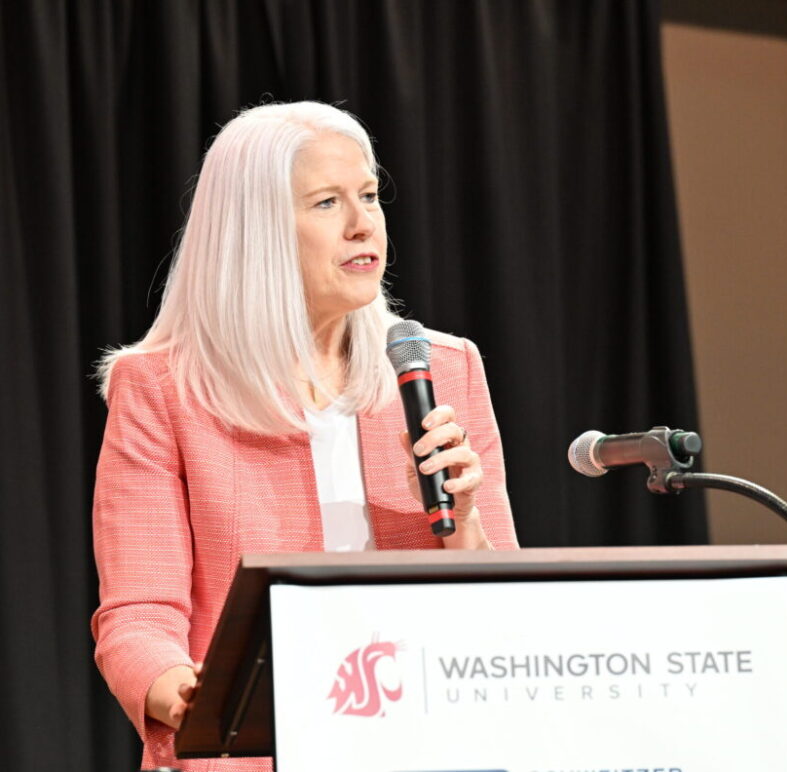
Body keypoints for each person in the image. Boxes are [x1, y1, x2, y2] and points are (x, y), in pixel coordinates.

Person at [91, 101, 518, 771]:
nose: (362, 224)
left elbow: (503, 617)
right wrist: (188, 697)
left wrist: (464, 523)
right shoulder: (161, 390)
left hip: (427, 744)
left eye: (369, 195)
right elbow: (138, 616)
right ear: (255, 231)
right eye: (326, 203)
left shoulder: (443, 369)